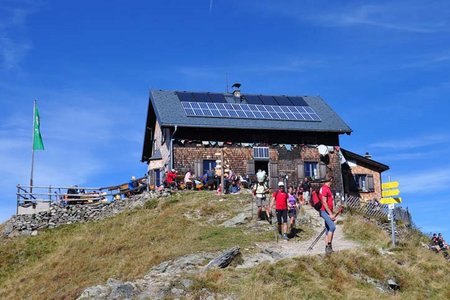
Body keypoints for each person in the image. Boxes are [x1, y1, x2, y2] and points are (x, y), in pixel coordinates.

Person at [320, 176, 336, 254]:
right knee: (332, 227)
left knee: (327, 229)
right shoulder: (324, 188)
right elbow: (324, 202)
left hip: (327, 211)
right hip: (324, 211)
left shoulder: (327, 189)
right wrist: (330, 214)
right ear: (330, 179)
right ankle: (329, 246)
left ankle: (327, 249)